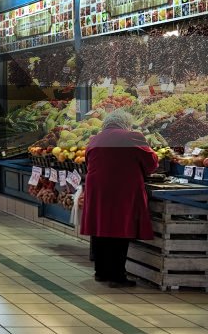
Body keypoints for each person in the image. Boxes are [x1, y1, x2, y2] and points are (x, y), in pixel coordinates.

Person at [79, 109, 158, 287]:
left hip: (97, 188)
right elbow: (151, 163)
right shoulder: (132, 136)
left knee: (100, 228)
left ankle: (101, 272)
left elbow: (88, 161)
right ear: (126, 123)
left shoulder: (95, 138)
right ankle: (117, 276)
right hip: (121, 189)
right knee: (121, 229)